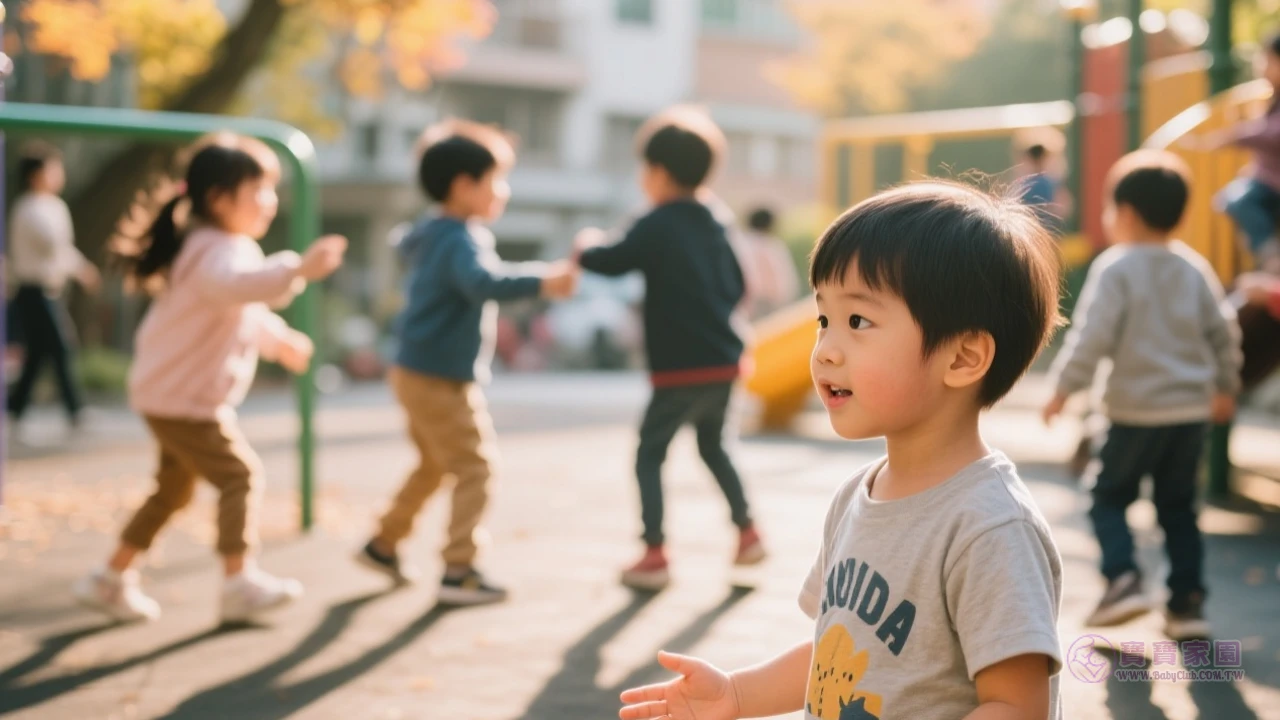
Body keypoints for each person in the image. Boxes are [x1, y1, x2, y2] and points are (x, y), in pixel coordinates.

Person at [619, 181, 1065, 719]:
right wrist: (737, 694)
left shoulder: (990, 527)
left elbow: (1015, 706)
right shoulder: (856, 495)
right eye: (822, 320)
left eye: (858, 322)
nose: (826, 349)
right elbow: (841, 653)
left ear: (963, 357)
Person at [73, 134, 347, 623]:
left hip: (168, 394)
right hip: (184, 400)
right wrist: (299, 268)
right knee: (239, 477)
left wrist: (279, 340)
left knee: (172, 492)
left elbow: (240, 308)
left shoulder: (214, 247)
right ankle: (238, 582)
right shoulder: (215, 251)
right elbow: (234, 288)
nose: (271, 201)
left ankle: (108, 579)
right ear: (219, 199)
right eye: (259, 191)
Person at [356, 120, 578, 606]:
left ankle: (384, 543)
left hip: (413, 370)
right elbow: (484, 283)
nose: (503, 191)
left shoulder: (433, 234)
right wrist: (545, 280)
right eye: (494, 180)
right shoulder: (460, 238)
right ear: (463, 186)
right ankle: (459, 568)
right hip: (438, 377)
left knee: (435, 464)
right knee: (475, 466)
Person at [1043, 150, 1242, 641]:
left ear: (1126, 214)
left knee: (1107, 496)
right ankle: (1187, 603)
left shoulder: (1116, 268)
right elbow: (1224, 333)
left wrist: (1063, 388)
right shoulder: (1194, 268)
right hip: (1188, 414)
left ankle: (1123, 578)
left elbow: (1092, 337)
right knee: (1179, 508)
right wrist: (1225, 386)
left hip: (1133, 413)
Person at [573, 106, 764, 591]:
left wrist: (584, 245)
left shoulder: (655, 222)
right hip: (725, 360)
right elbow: (741, 284)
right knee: (715, 447)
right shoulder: (717, 220)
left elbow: (611, 260)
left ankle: (654, 553)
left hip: (679, 367)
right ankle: (748, 532)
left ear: (657, 172)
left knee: (649, 454)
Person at [6, 141, 101, 435]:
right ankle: (75, 411)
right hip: (33, 290)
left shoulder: (54, 206)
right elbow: (54, 247)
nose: (59, 174)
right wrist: (80, 268)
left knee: (38, 354)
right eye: (53, 169)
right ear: (36, 174)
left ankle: (13, 410)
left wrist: (80, 268)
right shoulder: (29, 209)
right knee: (60, 347)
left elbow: (62, 248)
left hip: (50, 290)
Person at [1191, 34, 1280, 268]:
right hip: (1268, 181)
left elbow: (1271, 135)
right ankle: (1264, 252)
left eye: (1268, 61)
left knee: (1240, 200)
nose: (1262, 68)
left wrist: (1234, 136)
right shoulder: (1271, 99)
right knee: (1232, 198)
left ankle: (1270, 256)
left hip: (1272, 184)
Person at [738, 207, 800, 319]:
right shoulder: (772, 246)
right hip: (770, 302)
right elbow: (783, 278)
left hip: (746, 302)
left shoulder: (740, 244)